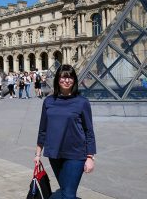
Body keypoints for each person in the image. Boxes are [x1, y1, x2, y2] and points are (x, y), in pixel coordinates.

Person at [34, 64, 96, 199]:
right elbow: (43, 128)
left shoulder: (82, 102)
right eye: (63, 77)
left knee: (68, 194)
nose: (66, 80)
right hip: (54, 154)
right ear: (57, 79)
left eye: (70, 77)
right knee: (64, 189)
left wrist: (90, 157)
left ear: (74, 80)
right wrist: (38, 154)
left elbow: (88, 131)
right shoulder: (49, 101)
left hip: (76, 153)